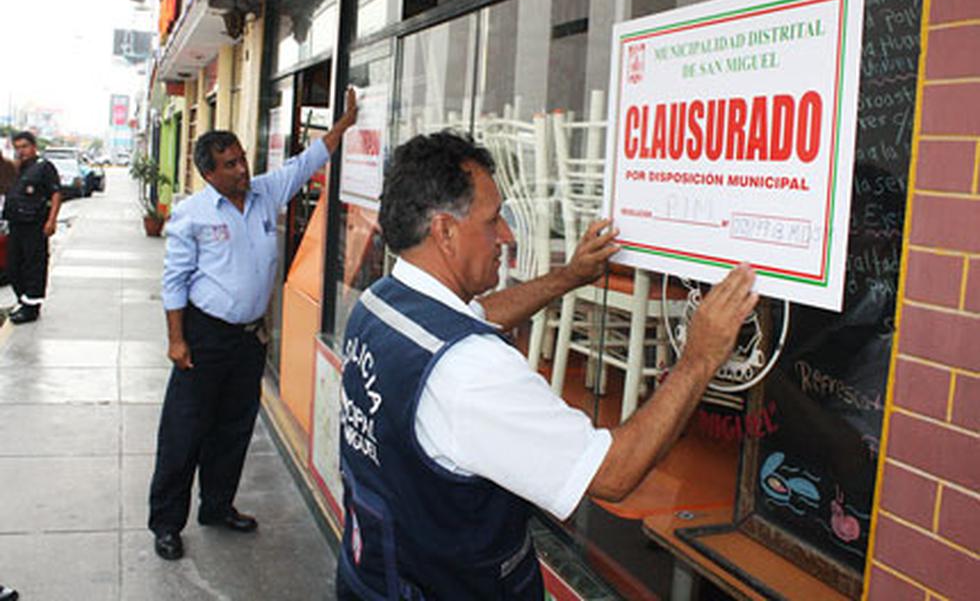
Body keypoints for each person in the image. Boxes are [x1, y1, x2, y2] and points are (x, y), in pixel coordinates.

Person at [337, 132, 758, 600]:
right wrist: (698, 358)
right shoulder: (471, 372)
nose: (508, 236)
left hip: (373, 578)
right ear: (445, 231)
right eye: (494, 220)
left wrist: (569, 277)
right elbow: (613, 474)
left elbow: (479, 316)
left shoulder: (380, 304)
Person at [149, 88, 358, 561]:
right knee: (184, 431)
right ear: (208, 173)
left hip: (249, 340)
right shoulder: (193, 214)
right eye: (229, 164)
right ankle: (166, 522)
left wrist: (343, 124)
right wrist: (177, 340)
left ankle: (217, 507)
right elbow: (174, 280)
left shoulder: (265, 193)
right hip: (203, 338)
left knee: (234, 427)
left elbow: (306, 163)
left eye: (242, 159)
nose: (242, 170)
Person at [3, 131, 61, 324]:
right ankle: (23, 300)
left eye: (25, 146)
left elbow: (55, 194)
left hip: (35, 225)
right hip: (16, 224)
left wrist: (51, 221)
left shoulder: (44, 167)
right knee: (13, 266)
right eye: (17, 147)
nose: (21, 151)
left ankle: (32, 307)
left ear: (34, 146)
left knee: (34, 265)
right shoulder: (16, 169)